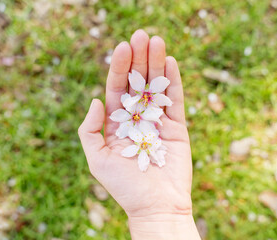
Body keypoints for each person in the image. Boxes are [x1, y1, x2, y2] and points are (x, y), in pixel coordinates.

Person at [78, 29, 201, 240]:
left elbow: (146, 107)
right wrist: (158, 216)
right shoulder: (135, 115)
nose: (145, 97)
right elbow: (135, 114)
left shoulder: (146, 111)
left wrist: (160, 216)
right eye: (143, 96)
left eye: (147, 96)